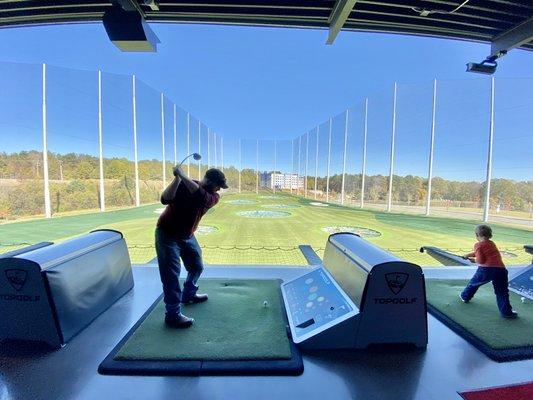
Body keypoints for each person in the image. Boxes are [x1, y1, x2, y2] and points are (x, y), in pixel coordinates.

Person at [155, 166, 228, 328]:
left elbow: (201, 197)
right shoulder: (184, 184)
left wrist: (182, 174)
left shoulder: (213, 197)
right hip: (167, 233)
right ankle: (172, 315)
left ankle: (188, 294)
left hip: (187, 235)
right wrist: (177, 179)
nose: (219, 190)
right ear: (209, 181)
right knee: (171, 275)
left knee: (196, 266)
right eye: (218, 186)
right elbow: (165, 199)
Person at [460, 224, 517, 319]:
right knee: (502, 292)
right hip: (501, 270)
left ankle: (465, 297)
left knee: (473, 284)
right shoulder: (491, 243)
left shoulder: (478, 245)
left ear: (477, 235)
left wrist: (473, 260)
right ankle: (507, 312)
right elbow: (481, 253)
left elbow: (481, 260)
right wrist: (467, 254)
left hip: (486, 270)